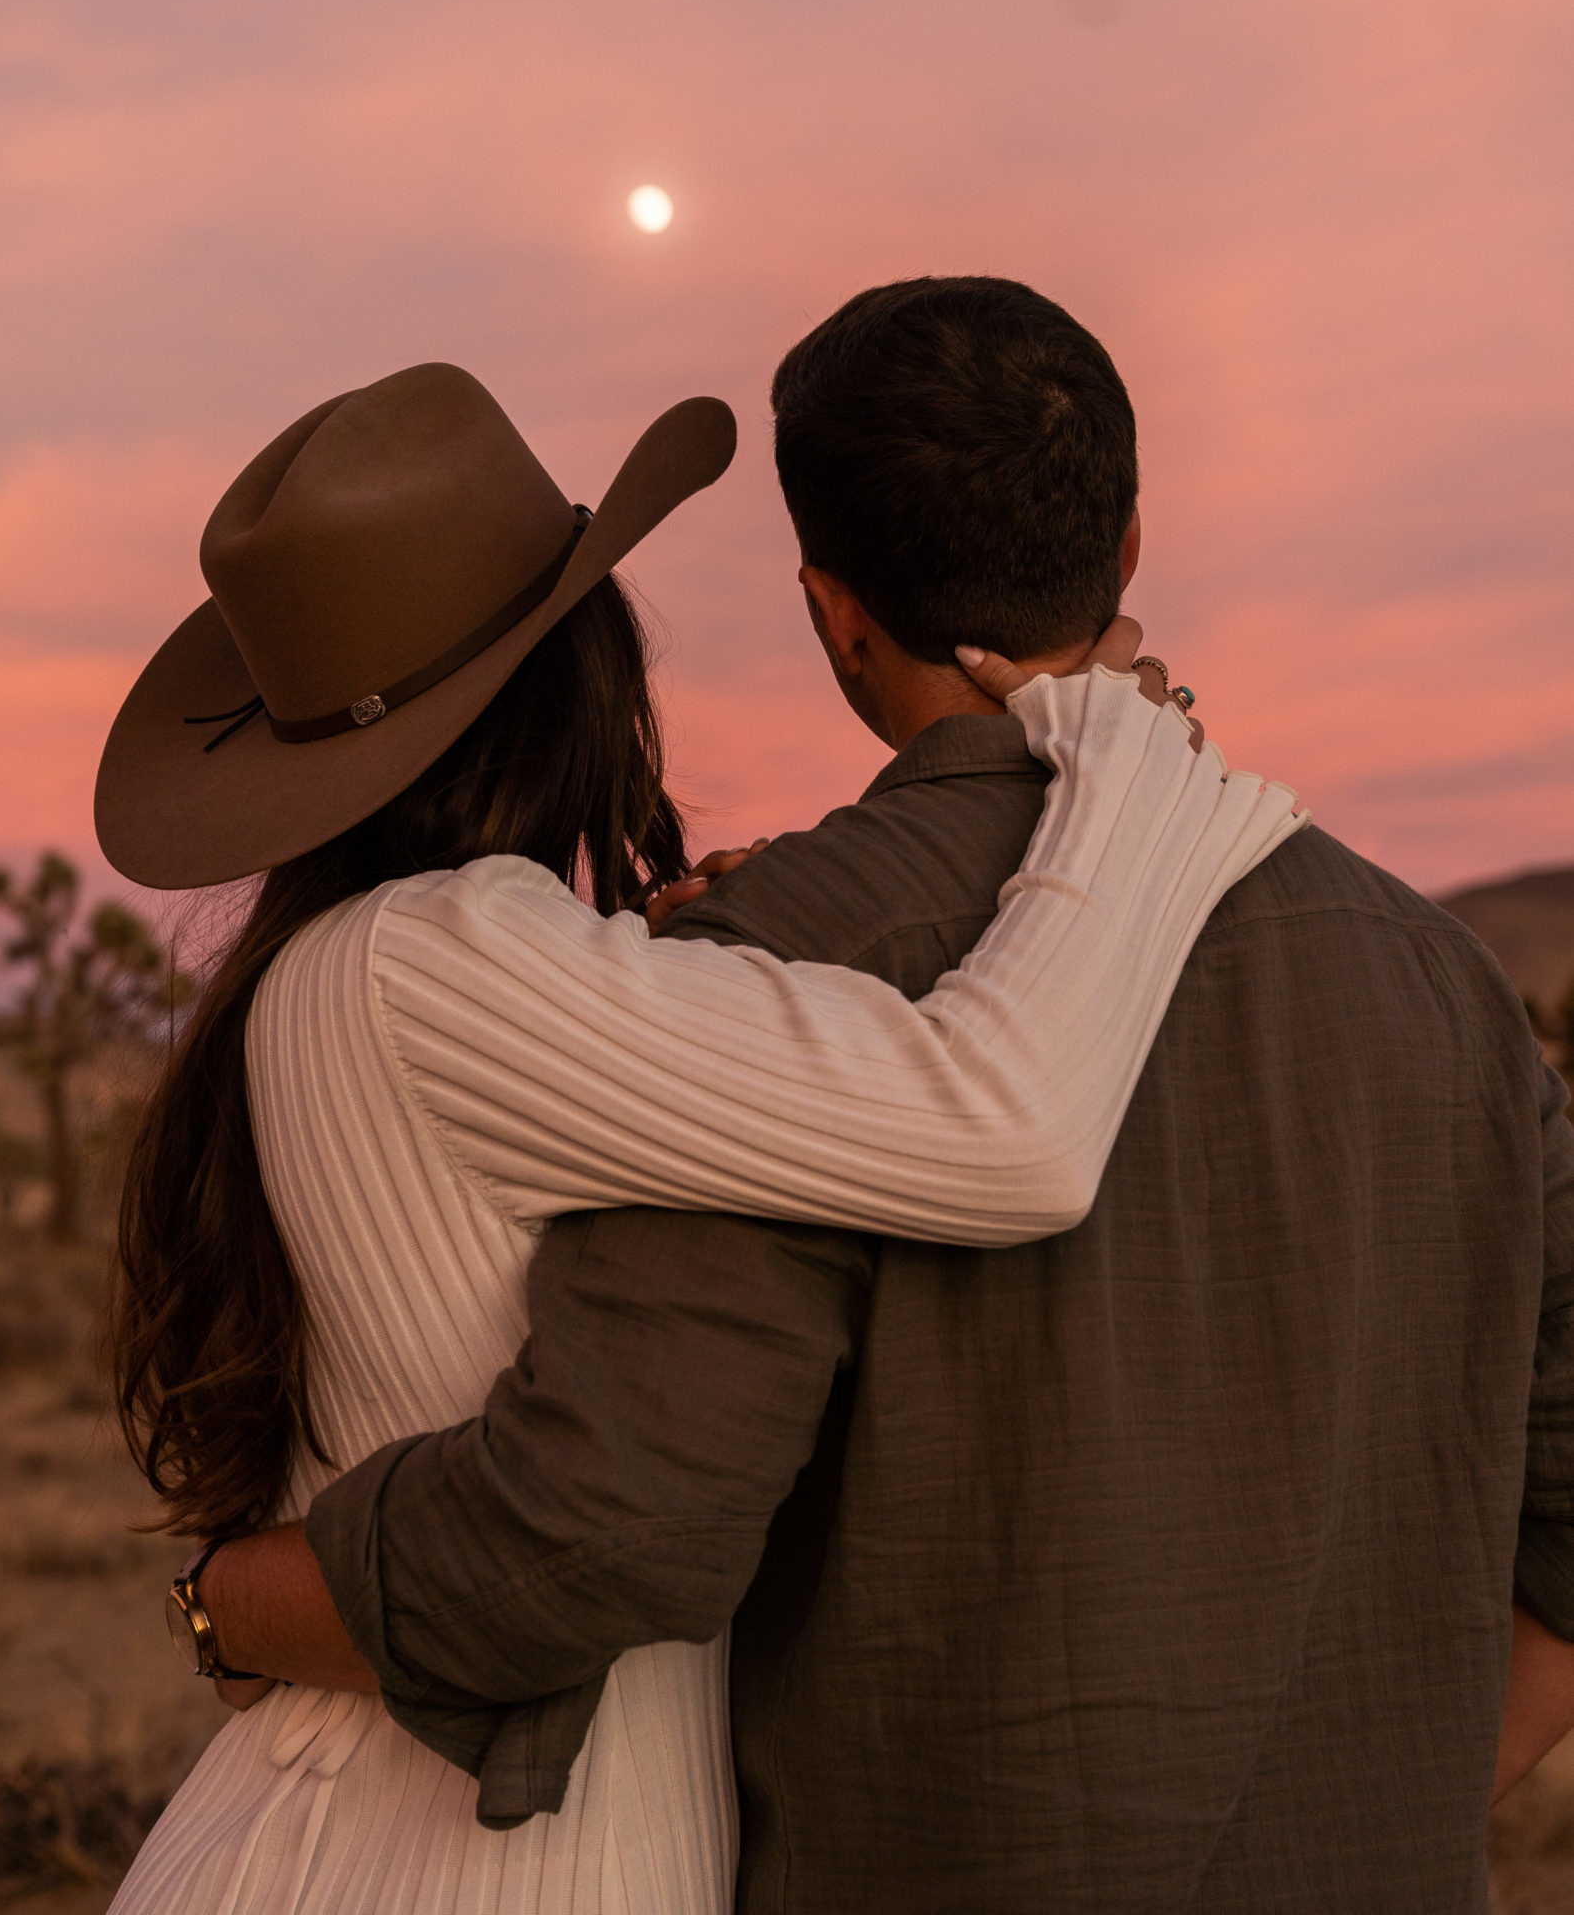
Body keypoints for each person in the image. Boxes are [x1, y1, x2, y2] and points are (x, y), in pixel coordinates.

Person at [194, 281, 1574, 1915]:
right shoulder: (1445, 984)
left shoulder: (772, 967)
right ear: (1127, 546)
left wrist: (228, 1602)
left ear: (830, 610)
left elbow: (608, 1524)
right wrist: (1376, 1796)